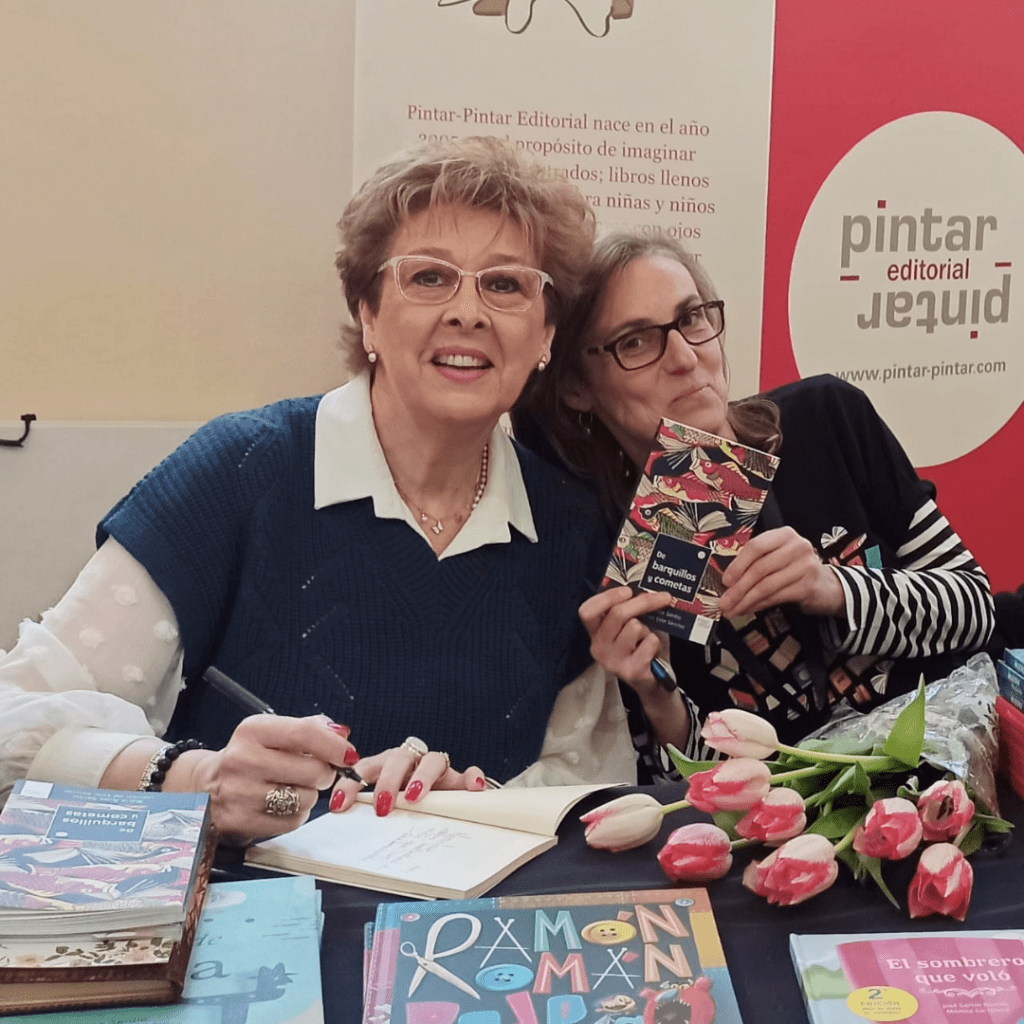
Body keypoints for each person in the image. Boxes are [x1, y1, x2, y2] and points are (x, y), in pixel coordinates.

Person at [0, 136, 608, 842]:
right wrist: (194, 779)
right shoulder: (238, 471)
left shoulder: (569, 525)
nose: (468, 312)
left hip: (472, 909)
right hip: (242, 903)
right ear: (368, 313)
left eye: (505, 284)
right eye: (429, 277)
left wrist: (476, 803)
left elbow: (587, 772)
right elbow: (14, 722)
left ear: (546, 335)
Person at [514, 231, 996, 780]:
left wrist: (834, 588)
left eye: (691, 318)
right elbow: (690, 787)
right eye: (636, 342)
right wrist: (657, 694)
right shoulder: (608, 551)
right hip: (784, 817)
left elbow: (976, 609)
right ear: (577, 387)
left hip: (941, 782)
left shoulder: (828, 420)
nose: (685, 356)